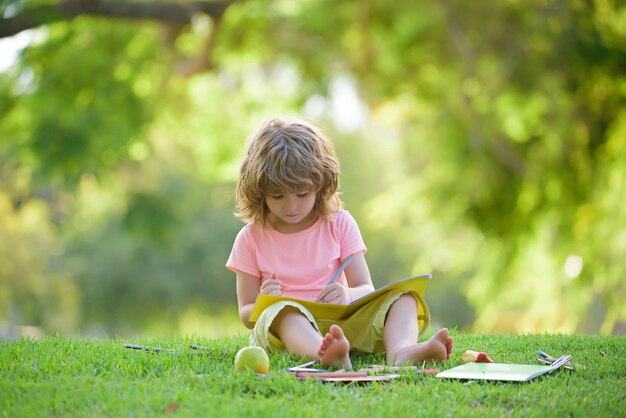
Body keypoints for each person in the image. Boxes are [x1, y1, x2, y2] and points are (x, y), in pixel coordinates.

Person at [226, 117, 453, 369]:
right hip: (286, 330)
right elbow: (246, 314)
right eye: (278, 196)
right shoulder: (250, 238)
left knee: (405, 298)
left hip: (342, 324)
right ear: (260, 192)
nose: (291, 206)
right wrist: (262, 302)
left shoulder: (339, 223)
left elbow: (366, 288)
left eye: (302, 194)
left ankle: (401, 351)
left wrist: (347, 295)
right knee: (285, 312)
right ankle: (323, 354)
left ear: (320, 186)